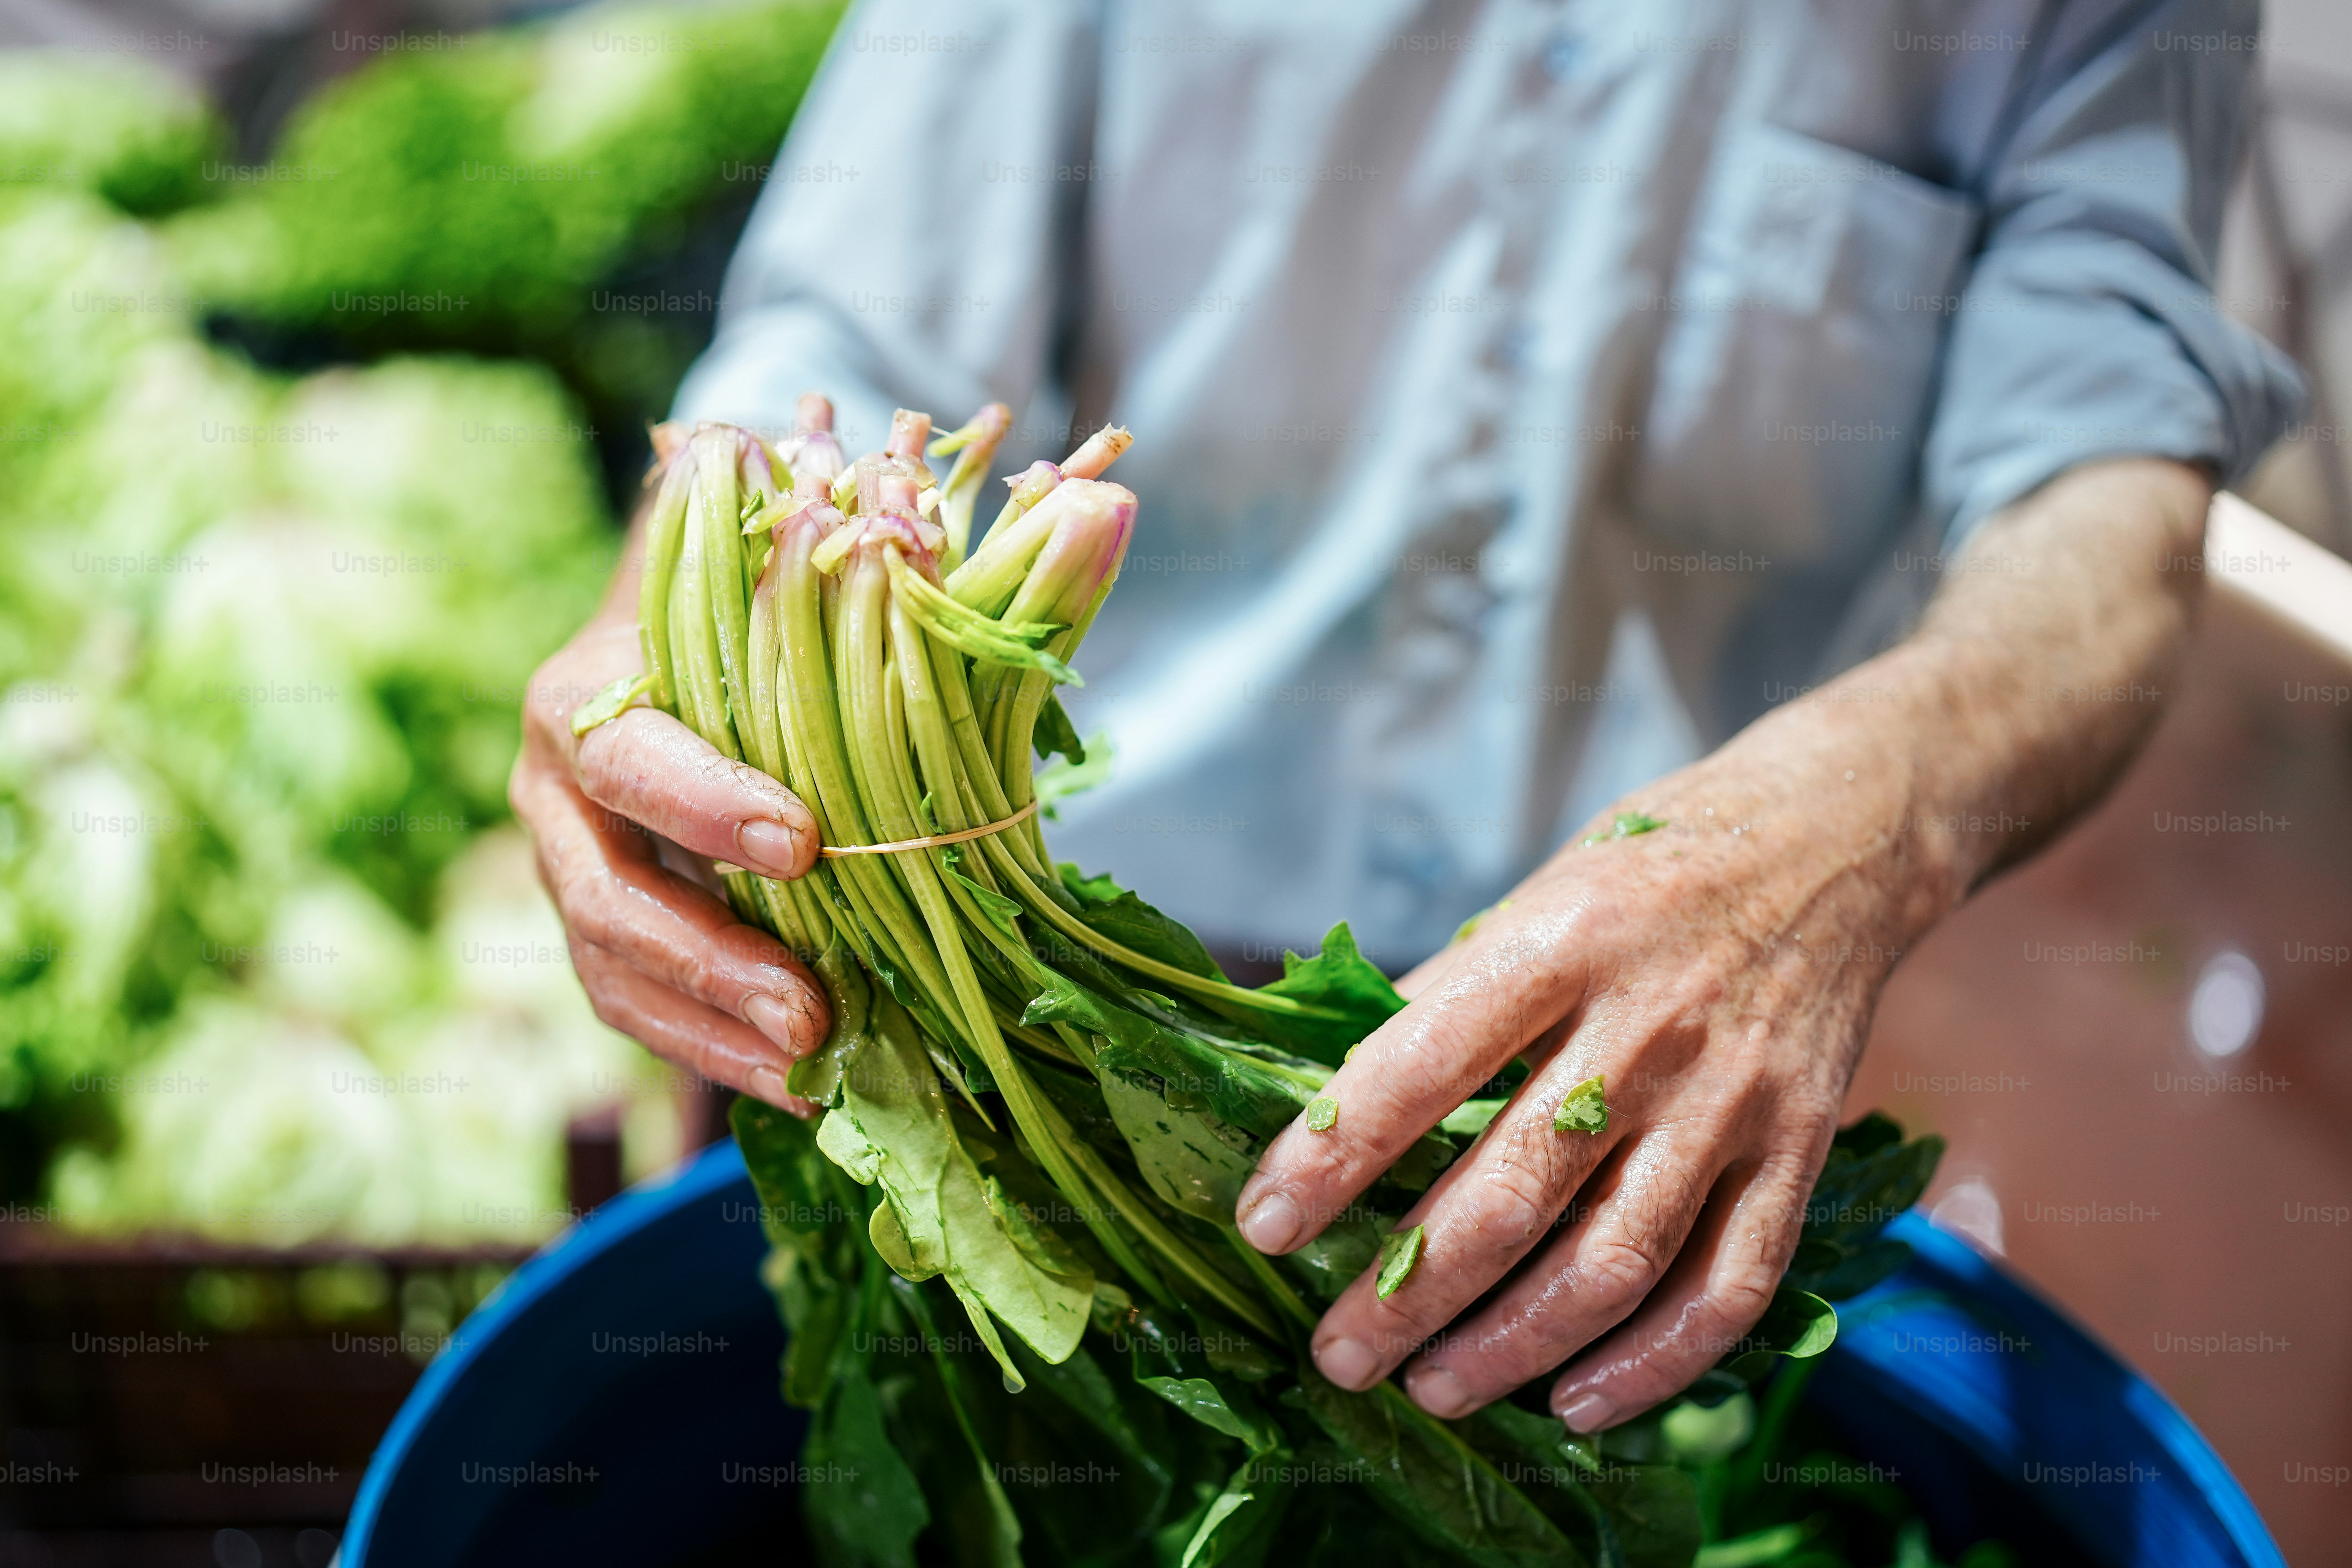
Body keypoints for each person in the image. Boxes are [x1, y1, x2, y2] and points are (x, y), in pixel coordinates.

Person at [510, 1, 2300, 1433]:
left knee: (1581, 1503)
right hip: (1008, 1006)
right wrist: (669, 620)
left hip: (1657, 1043)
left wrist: (1868, 816)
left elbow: (2112, 488)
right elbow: (847, 341)